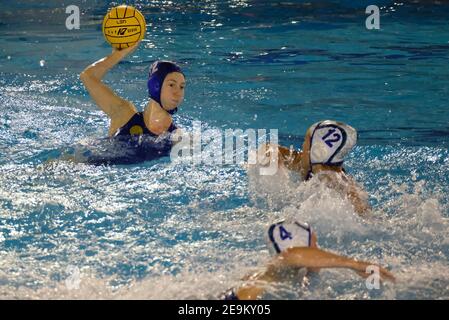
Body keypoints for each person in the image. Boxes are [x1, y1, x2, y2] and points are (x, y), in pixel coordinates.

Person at [222, 219, 395, 300]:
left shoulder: (285, 276)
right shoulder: (280, 268)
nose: (318, 250)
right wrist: (353, 264)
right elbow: (290, 255)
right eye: (314, 244)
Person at [78, 42, 186, 164]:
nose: (178, 93)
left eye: (182, 87)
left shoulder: (177, 137)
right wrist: (119, 53)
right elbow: (87, 77)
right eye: (171, 85)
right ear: (155, 86)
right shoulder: (124, 114)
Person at [260, 120, 370, 215]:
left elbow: (364, 214)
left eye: (306, 142)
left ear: (316, 151)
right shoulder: (306, 164)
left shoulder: (341, 185)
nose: (302, 146)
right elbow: (271, 149)